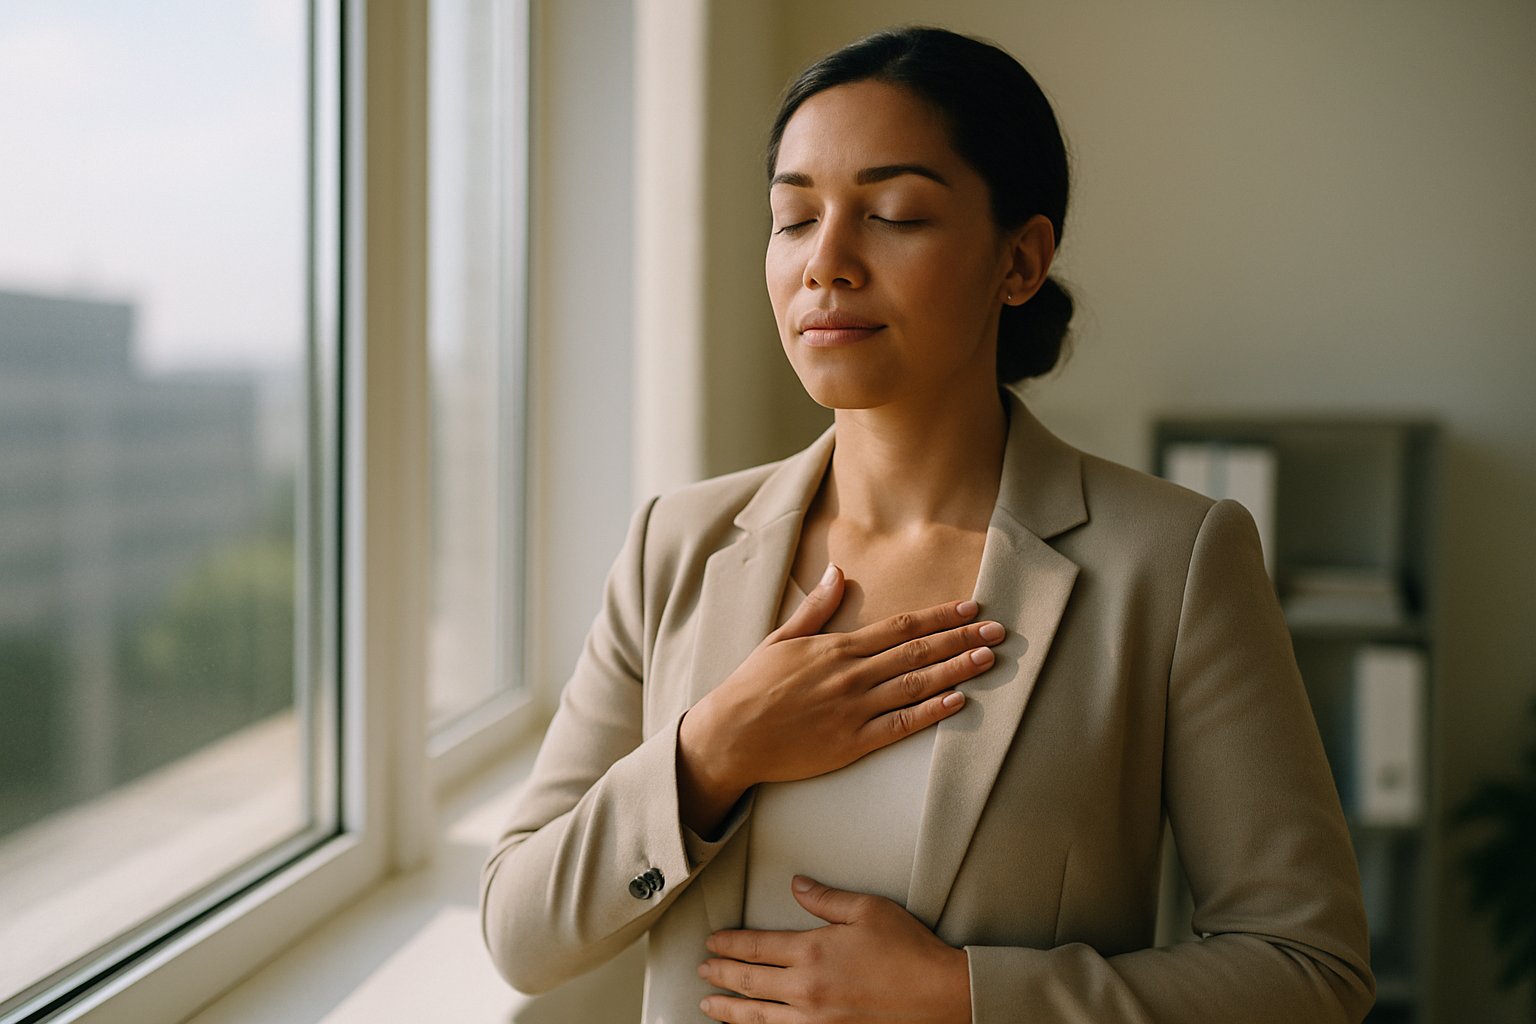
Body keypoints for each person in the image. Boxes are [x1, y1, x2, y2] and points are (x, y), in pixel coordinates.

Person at [481, 25, 1374, 1024]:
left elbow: (1310, 970)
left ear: (1021, 259)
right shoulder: (676, 545)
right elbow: (521, 934)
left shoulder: (1171, 562)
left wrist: (966, 995)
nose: (826, 263)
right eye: (793, 217)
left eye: (894, 213)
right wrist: (712, 751)